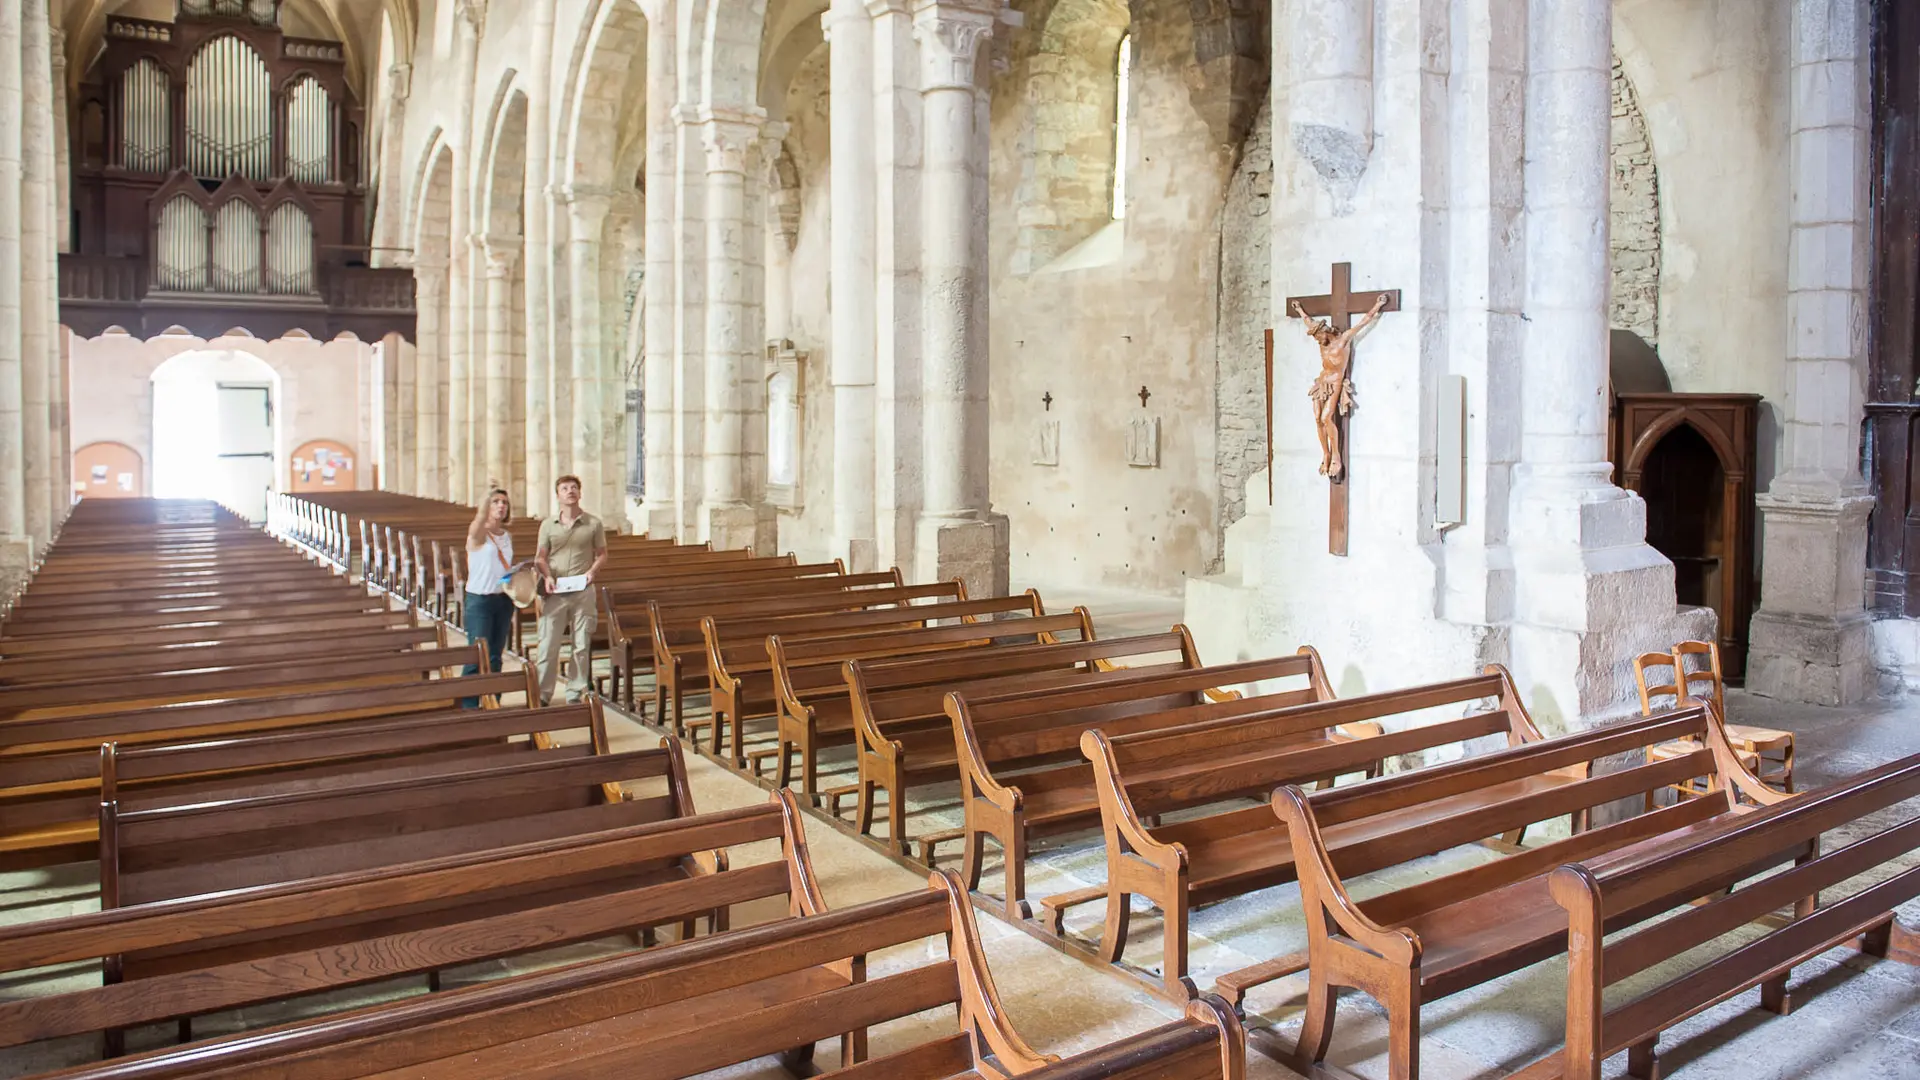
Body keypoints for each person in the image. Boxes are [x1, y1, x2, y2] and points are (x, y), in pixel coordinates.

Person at [534, 474, 608, 705]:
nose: (570, 491)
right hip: (555, 590)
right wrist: (546, 576)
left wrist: (592, 572)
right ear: (558, 495)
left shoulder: (593, 523)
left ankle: (575, 691)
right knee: (548, 644)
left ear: (580, 492)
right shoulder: (548, 525)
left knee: (581, 644)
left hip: (582, 590)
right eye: (565, 488)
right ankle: (542, 693)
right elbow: (540, 557)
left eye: (574, 487)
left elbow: (603, 553)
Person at [462, 488, 516, 706]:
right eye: (496, 502)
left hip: (502, 600)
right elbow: (477, 521)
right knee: (476, 653)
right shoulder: (478, 533)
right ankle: (468, 704)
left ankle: (493, 701)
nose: (501, 506)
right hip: (480, 601)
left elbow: (502, 569)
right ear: (487, 506)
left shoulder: (507, 536)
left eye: (504, 502)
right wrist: (485, 500)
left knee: (495, 655)